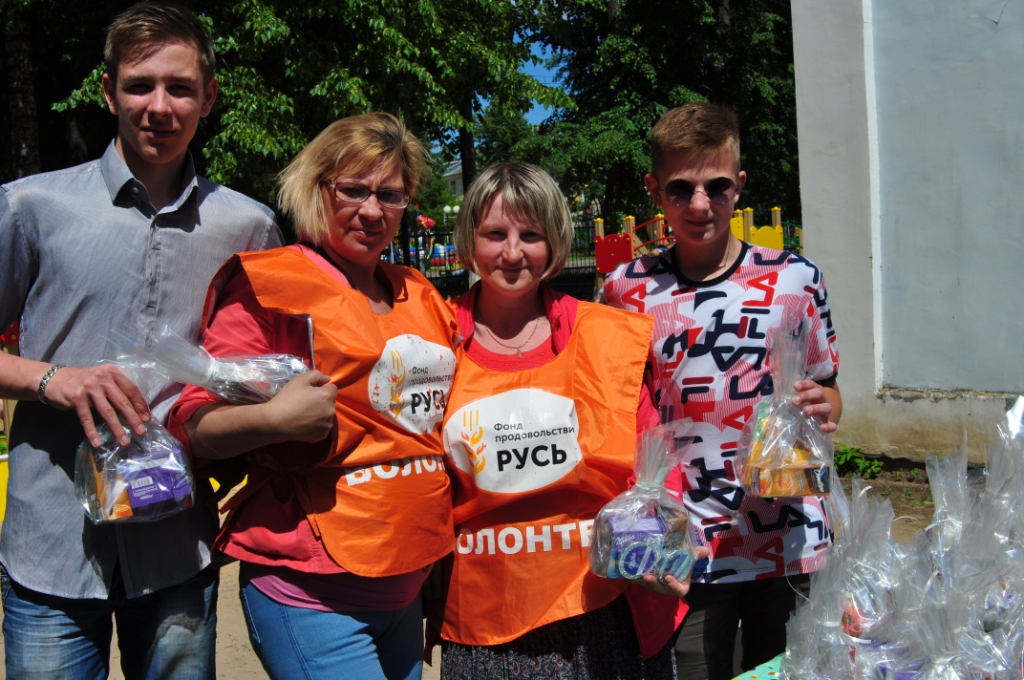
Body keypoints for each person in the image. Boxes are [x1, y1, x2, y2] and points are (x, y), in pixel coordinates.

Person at [0, 3, 282, 678]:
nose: (159, 107)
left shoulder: (248, 227)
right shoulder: (31, 207)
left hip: (177, 543)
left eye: (180, 87)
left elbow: (260, 367)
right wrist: (53, 379)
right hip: (52, 546)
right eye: (139, 85)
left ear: (209, 97)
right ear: (108, 92)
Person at [167, 112, 459, 680]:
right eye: (353, 190)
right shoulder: (269, 286)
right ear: (316, 188)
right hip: (311, 590)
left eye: (390, 195)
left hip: (406, 580)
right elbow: (193, 423)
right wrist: (275, 419)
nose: (372, 211)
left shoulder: (419, 293)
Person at [436, 163, 708, 680]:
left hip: (604, 606)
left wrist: (665, 532)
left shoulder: (603, 336)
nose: (512, 253)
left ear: (555, 242)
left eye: (530, 235)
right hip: (488, 619)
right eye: (495, 234)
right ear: (469, 240)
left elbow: (651, 453)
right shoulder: (435, 337)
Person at [602, 102, 842, 680]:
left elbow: (830, 392)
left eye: (717, 186)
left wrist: (822, 408)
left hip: (789, 535)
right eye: (680, 189)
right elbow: (617, 411)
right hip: (683, 543)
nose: (699, 204)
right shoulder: (625, 290)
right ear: (654, 190)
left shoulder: (796, 278)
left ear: (740, 185)